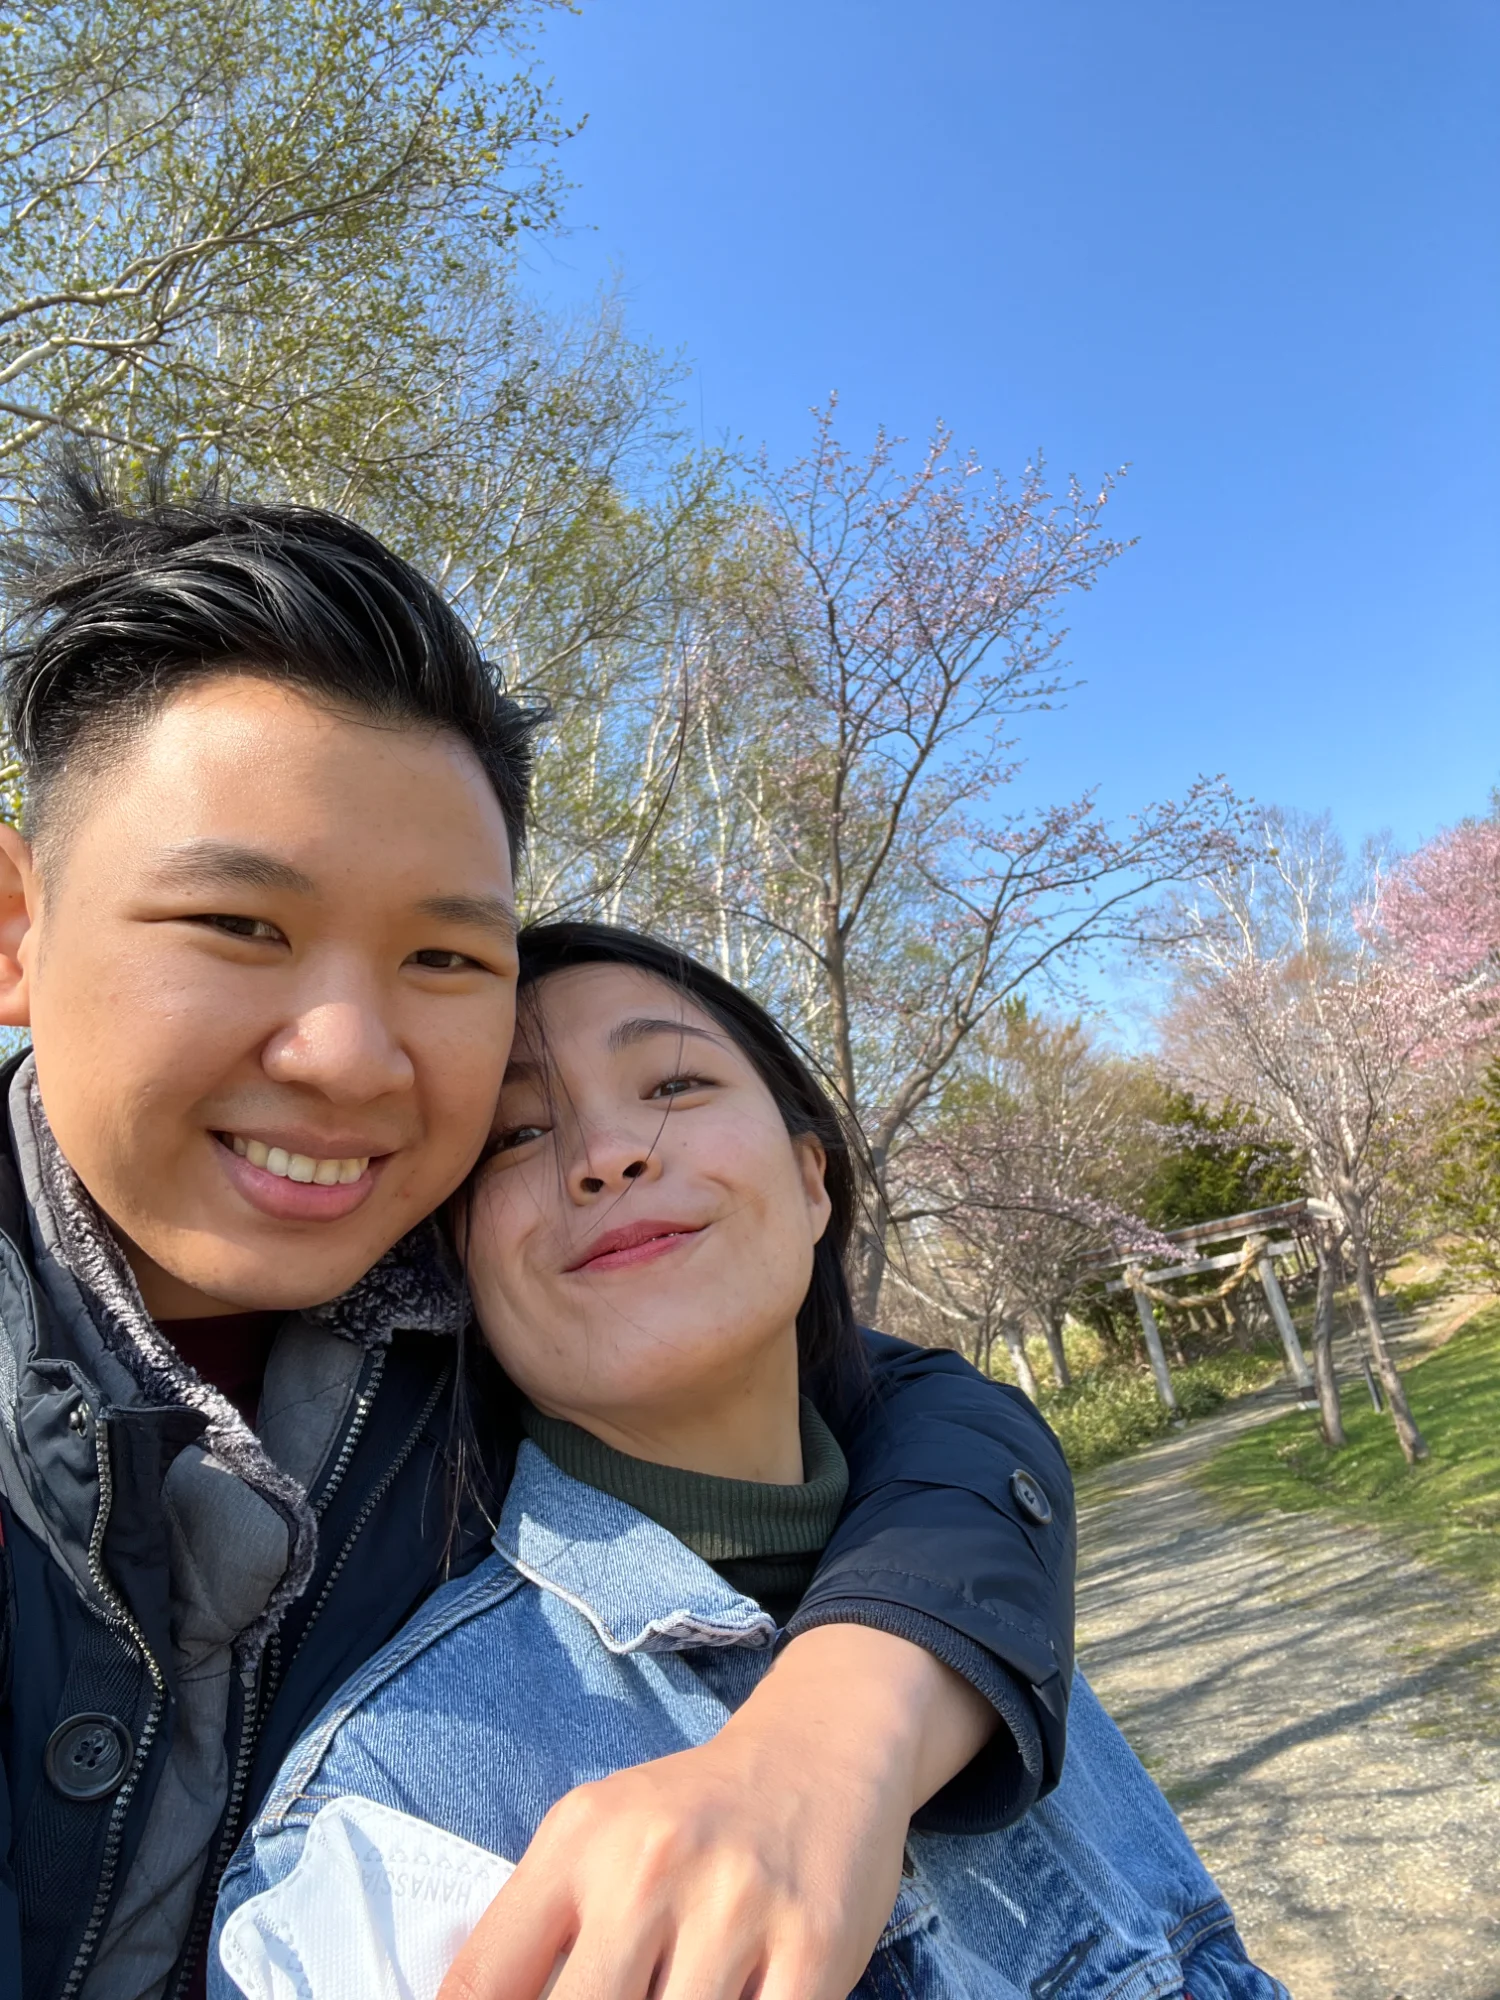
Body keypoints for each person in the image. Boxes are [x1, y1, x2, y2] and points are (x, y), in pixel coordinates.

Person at [0, 472, 1078, 2000]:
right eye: (242, 926)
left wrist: (837, 1729)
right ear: (16, 930)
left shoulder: (463, 1311)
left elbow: (928, 1412)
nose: (351, 1056)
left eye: (444, 954)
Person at [212, 920, 1286, 2000]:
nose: (604, 1154)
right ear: (458, 1268)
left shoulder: (981, 1584)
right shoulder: (389, 1808)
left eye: (673, 1080)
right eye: (515, 1134)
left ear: (813, 1181)